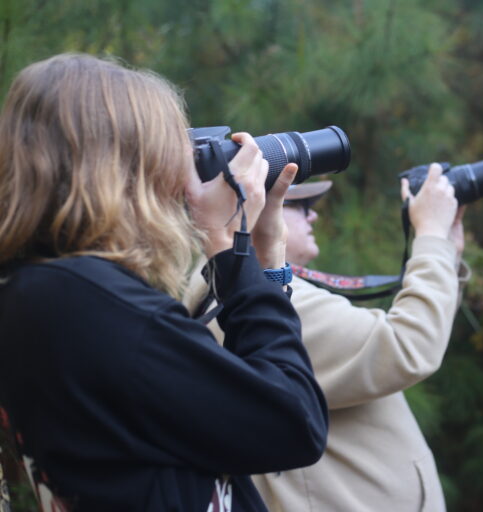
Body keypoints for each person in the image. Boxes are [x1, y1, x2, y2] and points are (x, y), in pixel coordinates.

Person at [0, 53, 328, 512]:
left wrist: (262, 264)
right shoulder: (82, 303)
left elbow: (237, 411)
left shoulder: (44, 292)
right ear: (123, 168)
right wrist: (223, 239)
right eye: (170, 152)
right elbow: (295, 423)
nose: (180, 175)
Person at [250, 166, 469, 511]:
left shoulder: (265, 292)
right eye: (300, 206)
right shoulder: (256, 301)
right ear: (252, 211)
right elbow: (407, 346)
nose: (315, 216)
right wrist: (430, 234)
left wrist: (444, 250)